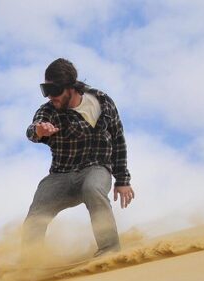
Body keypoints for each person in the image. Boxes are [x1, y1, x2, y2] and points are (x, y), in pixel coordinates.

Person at [24, 58, 135, 257]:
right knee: (38, 209)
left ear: (70, 88)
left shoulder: (102, 101)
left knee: (93, 189)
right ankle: (30, 261)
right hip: (61, 176)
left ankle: (110, 250)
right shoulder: (48, 111)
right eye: (45, 90)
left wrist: (123, 180)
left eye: (55, 91)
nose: (51, 97)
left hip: (96, 168)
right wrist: (40, 130)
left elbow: (118, 140)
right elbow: (33, 131)